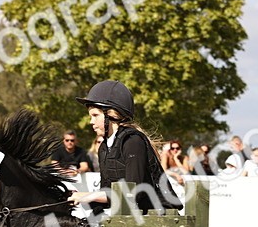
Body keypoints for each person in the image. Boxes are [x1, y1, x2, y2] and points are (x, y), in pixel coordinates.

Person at [67, 79, 181, 213]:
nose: (91, 122)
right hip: (131, 218)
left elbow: (134, 192)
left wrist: (88, 196)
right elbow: (107, 193)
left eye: (95, 115)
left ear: (111, 114)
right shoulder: (104, 147)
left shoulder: (133, 141)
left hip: (158, 221)